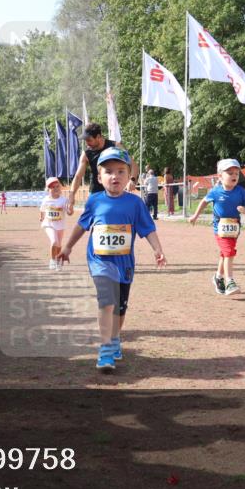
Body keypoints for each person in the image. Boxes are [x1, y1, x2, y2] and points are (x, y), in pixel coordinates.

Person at [59, 148, 166, 373]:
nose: (114, 176)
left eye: (120, 171)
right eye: (108, 171)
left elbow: (148, 228)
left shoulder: (135, 203)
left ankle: (115, 338)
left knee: (120, 307)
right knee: (106, 301)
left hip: (125, 264)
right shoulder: (95, 201)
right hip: (99, 261)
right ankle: (106, 348)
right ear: (99, 177)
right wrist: (68, 246)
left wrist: (158, 249)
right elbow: (82, 225)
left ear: (129, 177)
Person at [189, 158, 245, 296]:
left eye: (236, 173)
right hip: (220, 228)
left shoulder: (241, 191)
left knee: (225, 253)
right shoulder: (215, 191)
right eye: (230, 173)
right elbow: (204, 202)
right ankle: (229, 281)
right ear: (220, 176)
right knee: (229, 251)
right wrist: (195, 216)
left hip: (234, 228)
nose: (234, 176)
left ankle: (218, 277)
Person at [67, 123, 118, 209]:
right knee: (89, 219)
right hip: (95, 192)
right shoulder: (86, 153)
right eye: (85, 140)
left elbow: (132, 164)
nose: (87, 143)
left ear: (98, 137)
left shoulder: (115, 147)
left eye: (89, 140)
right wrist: (72, 195)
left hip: (114, 190)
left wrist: (132, 180)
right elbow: (78, 176)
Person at [40, 177, 69, 270]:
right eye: (53, 187)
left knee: (59, 245)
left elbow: (68, 211)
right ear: (48, 189)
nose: (56, 189)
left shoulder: (64, 200)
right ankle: (52, 260)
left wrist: (70, 209)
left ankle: (58, 261)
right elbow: (42, 209)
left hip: (60, 225)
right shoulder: (46, 200)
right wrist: (41, 217)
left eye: (57, 186)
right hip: (48, 224)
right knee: (54, 241)